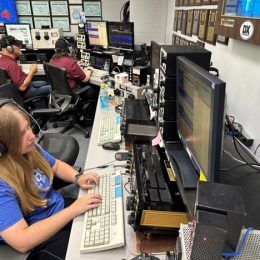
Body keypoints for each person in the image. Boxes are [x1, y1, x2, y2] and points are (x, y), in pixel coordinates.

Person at [0, 101, 102, 260]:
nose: (32, 136)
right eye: (21, 134)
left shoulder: (30, 149)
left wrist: (78, 178)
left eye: (28, 127)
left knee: (101, 222)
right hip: (39, 237)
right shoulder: (2, 183)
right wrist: (73, 210)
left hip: (57, 208)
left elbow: (55, 165)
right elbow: (22, 241)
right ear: (3, 145)